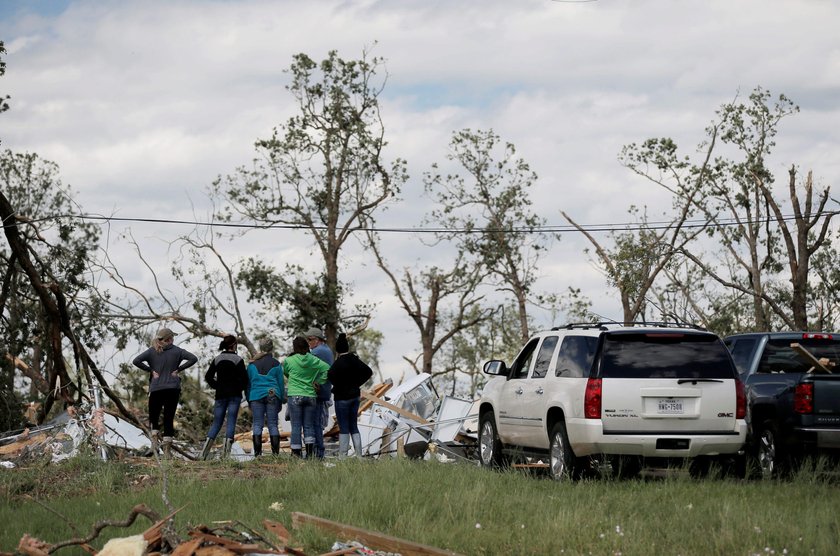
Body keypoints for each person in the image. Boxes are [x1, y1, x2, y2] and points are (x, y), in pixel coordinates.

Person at [132, 327, 198, 456]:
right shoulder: (178, 351)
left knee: (154, 417)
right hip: (173, 389)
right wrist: (178, 369)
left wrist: (150, 370)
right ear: (170, 339)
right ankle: (167, 451)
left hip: (156, 389)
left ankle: (154, 446)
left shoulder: (151, 351)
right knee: (169, 417)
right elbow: (193, 358)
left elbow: (136, 361)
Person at [200, 334, 248, 460]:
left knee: (216, 423)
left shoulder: (217, 359)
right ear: (234, 345)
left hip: (220, 395)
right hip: (234, 396)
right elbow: (245, 380)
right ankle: (225, 456)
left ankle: (203, 454)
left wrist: (218, 386)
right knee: (231, 421)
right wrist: (238, 388)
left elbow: (208, 377)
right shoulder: (238, 360)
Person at [284, 335, 330, 458]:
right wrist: (319, 381)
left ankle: (296, 453)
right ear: (306, 346)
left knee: (296, 426)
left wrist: (293, 378)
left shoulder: (289, 360)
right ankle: (310, 453)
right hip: (310, 395)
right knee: (308, 425)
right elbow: (327, 368)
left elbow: (285, 371)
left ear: (295, 347)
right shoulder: (313, 359)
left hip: (294, 395)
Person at [328, 332, 373, 458]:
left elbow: (330, 376)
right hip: (354, 397)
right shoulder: (354, 359)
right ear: (347, 347)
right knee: (354, 426)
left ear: (337, 350)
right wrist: (356, 384)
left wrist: (339, 385)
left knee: (343, 427)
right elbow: (368, 371)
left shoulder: (336, 364)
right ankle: (359, 455)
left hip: (341, 399)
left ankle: (343, 457)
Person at [246, 337, 285, 457]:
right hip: (272, 394)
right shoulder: (277, 364)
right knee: (273, 424)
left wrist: (249, 400)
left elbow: (248, 385)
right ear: (272, 348)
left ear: (260, 348)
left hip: (256, 396)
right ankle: (275, 455)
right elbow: (280, 384)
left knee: (257, 424)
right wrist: (281, 399)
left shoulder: (251, 365)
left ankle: (258, 455)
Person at [305, 326, 334, 458]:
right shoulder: (326, 350)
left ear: (317, 340)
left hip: (318, 392)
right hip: (323, 391)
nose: (308, 342)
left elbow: (303, 364)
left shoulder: (318, 351)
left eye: (309, 339)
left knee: (315, 423)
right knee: (317, 422)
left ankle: (318, 453)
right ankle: (317, 452)